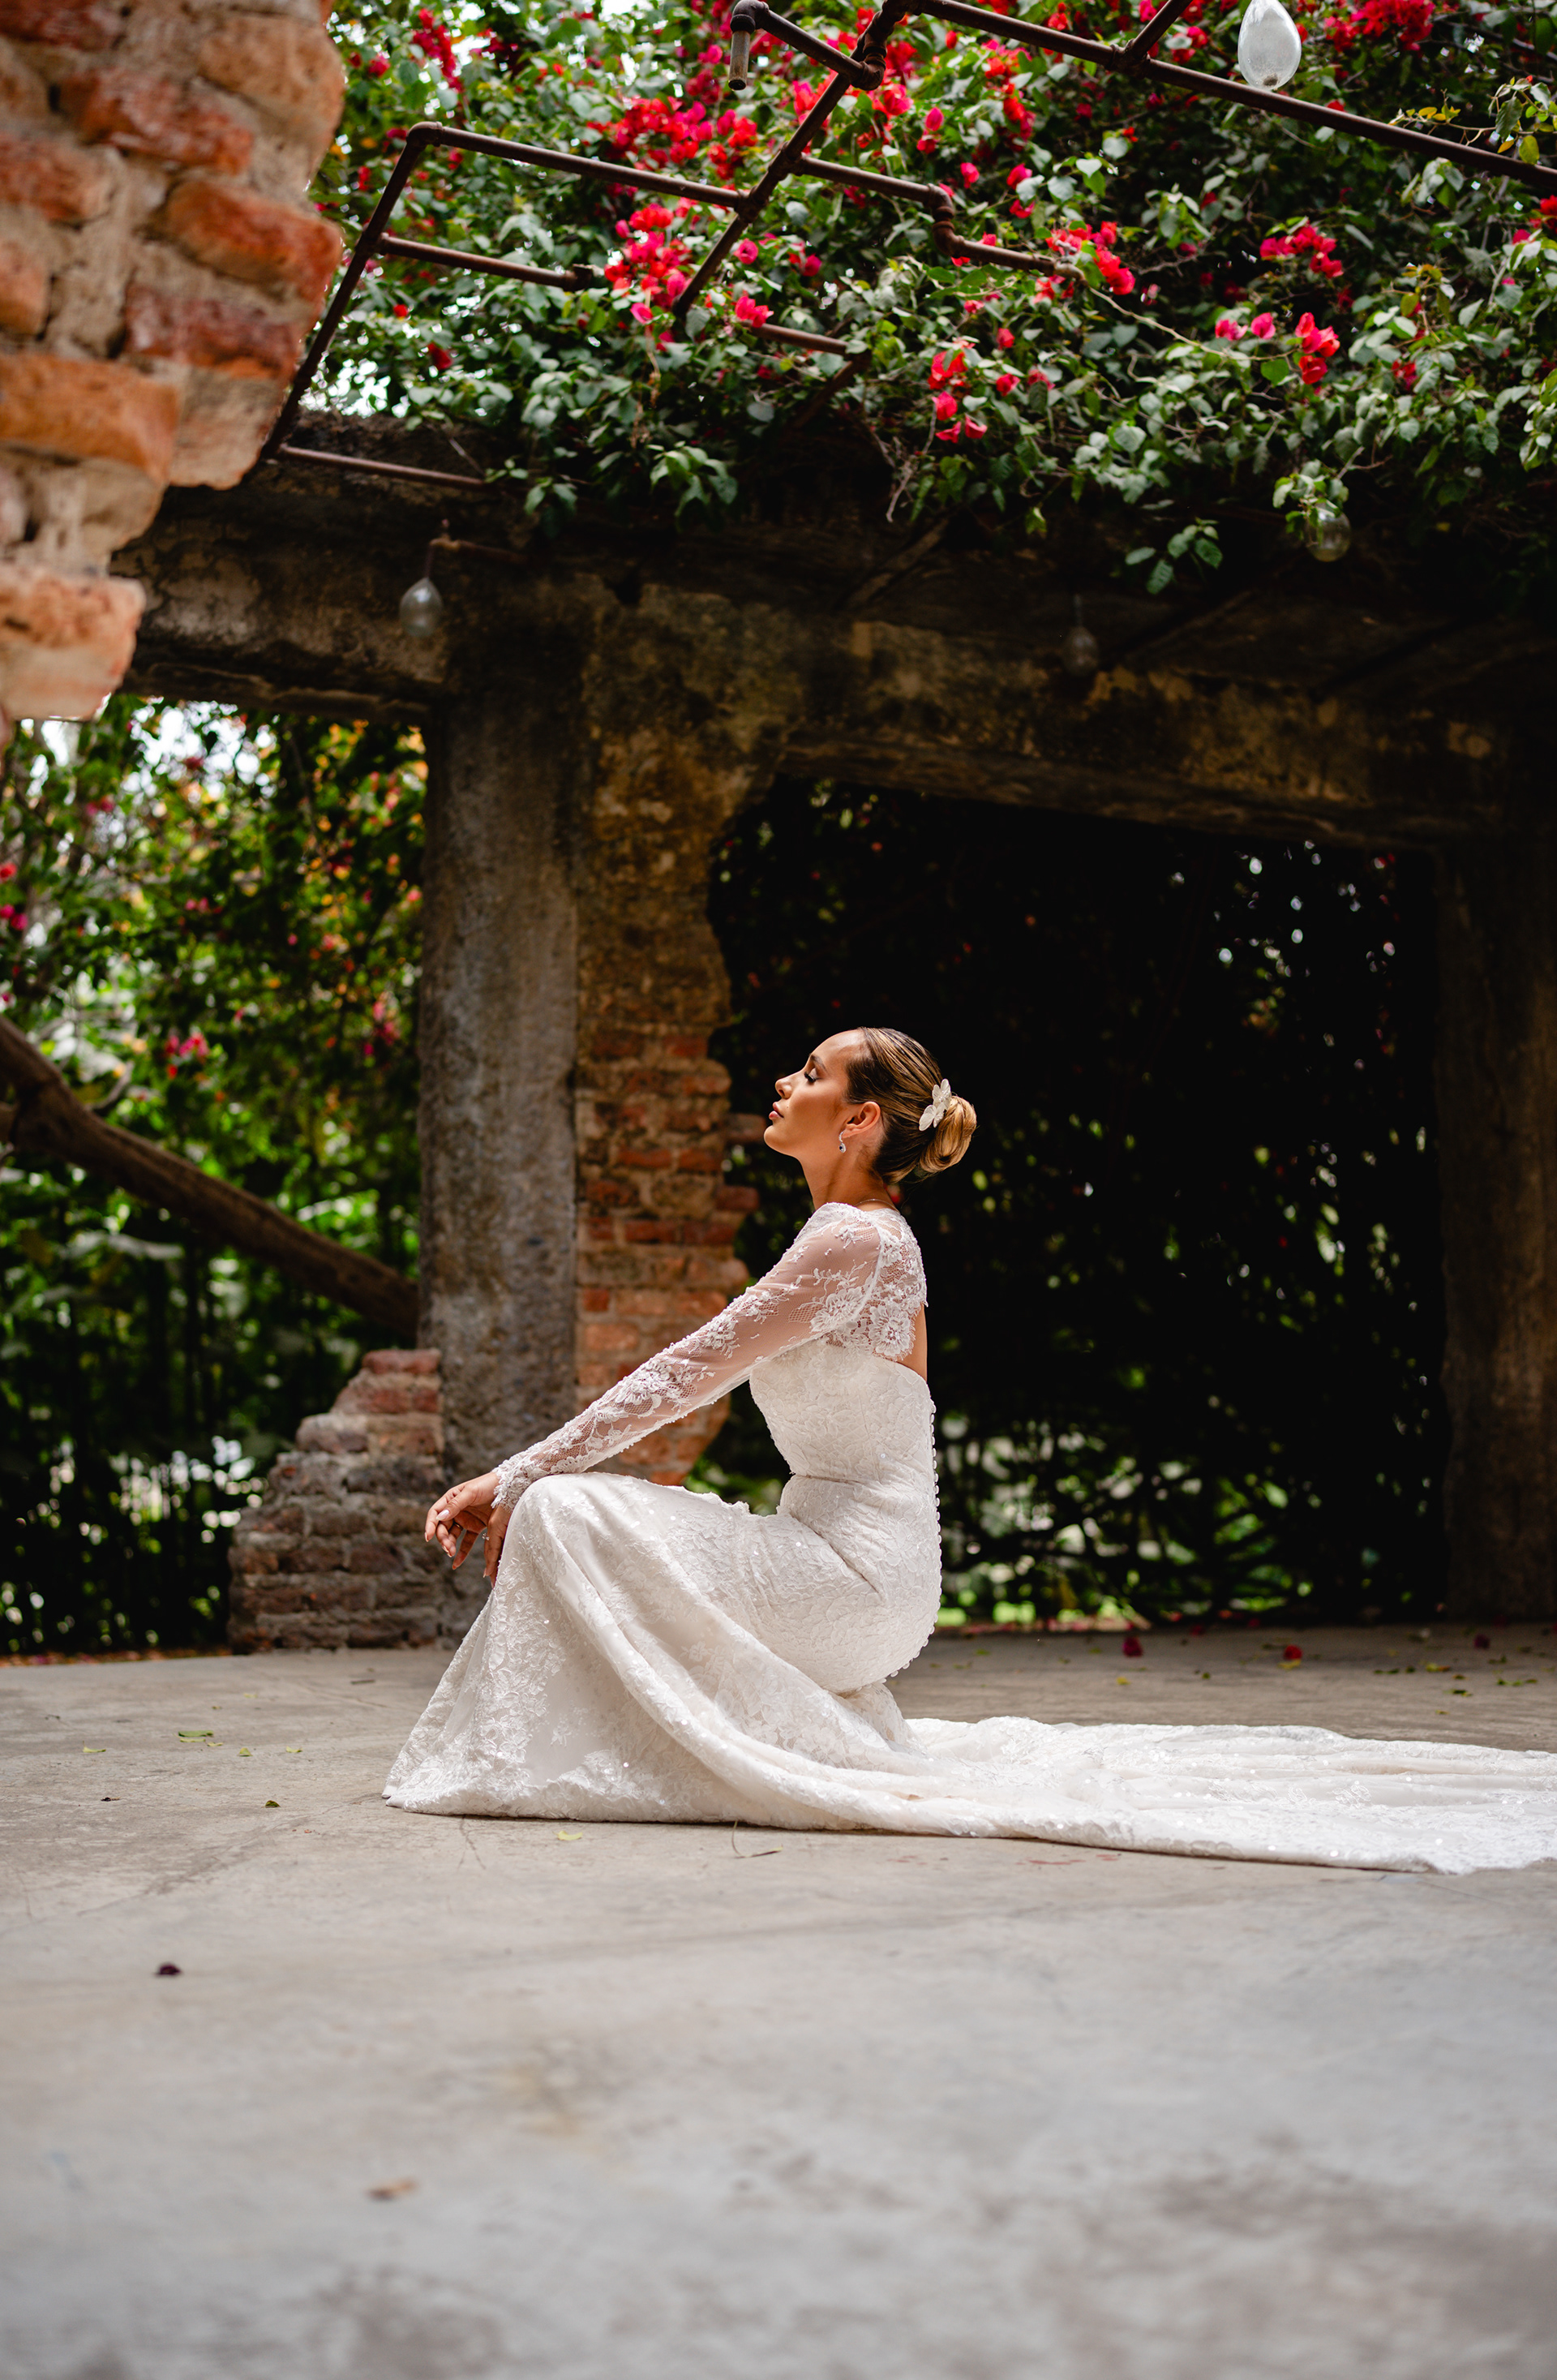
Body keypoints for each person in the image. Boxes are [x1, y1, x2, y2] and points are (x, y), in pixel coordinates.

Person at [387, 1027, 1557, 1874]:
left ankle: (616, 1752)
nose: (782, 1082)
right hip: (836, 1563)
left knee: (566, 1511)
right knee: (581, 1509)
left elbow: (686, 1369)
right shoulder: (843, 1232)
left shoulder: (852, 1240)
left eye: (809, 1072)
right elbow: (694, 1372)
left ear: (857, 1120)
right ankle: (651, 1742)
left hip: (857, 1584)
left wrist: (513, 1472)